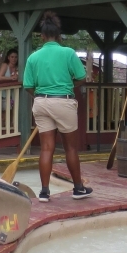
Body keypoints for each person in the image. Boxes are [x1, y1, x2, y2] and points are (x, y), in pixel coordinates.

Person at [22, 11, 92, 202]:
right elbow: (82, 77)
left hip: (41, 102)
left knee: (46, 149)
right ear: (59, 35)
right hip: (63, 101)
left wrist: (40, 96)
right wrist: (68, 86)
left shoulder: (33, 57)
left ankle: (44, 192)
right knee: (70, 148)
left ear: (42, 36)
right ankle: (78, 189)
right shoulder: (68, 53)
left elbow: (28, 85)